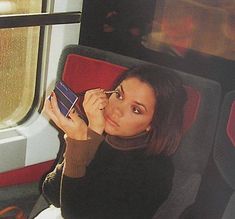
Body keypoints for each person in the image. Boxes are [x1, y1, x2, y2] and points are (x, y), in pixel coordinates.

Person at [39, 64, 187, 219]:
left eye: (136, 109)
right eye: (119, 95)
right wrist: (92, 132)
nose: (116, 110)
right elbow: (52, 193)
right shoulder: (94, 134)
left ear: (153, 123)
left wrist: (78, 144)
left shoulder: (156, 172)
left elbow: (75, 215)